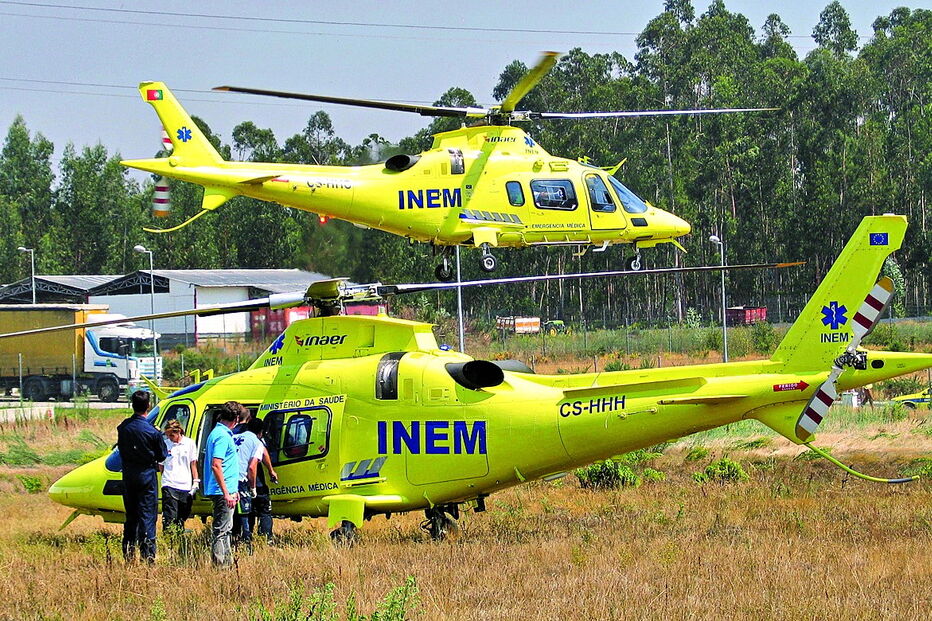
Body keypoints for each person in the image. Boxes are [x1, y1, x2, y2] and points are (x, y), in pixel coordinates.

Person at [116, 390, 167, 563]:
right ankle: (148, 555)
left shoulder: (123, 427)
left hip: (129, 475)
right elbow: (162, 455)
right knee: (147, 515)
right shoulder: (152, 432)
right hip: (146, 475)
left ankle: (128, 552)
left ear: (132, 405)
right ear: (148, 406)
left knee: (131, 515)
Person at [203, 401, 242, 567]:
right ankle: (221, 566)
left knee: (226, 529)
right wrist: (227, 492)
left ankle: (226, 563)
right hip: (221, 491)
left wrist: (233, 489)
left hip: (226, 489)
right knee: (221, 530)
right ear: (236, 419)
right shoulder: (222, 436)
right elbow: (216, 464)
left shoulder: (219, 433)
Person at [160, 419, 199, 534]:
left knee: (182, 515)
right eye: (167, 435)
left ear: (179, 432)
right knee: (170, 516)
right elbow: (161, 465)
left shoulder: (189, 443)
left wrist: (195, 481)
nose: (170, 437)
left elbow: (193, 464)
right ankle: (169, 538)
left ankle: (179, 535)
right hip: (169, 483)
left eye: (172, 435)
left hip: (185, 484)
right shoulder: (165, 444)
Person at [232, 413, 262, 550]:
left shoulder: (235, 436)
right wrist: (253, 487)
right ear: (261, 432)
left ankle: (233, 540)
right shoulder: (257, 442)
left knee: (232, 513)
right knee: (244, 512)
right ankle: (246, 543)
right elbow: (252, 467)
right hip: (240, 479)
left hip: (228, 479)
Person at [245, 417, 278, 544]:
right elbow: (254, 465)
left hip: (242, 483)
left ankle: (246, 537)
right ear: (261, 432)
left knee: (248, 512)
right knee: (264, 512)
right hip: (256, 483)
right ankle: (266, 539)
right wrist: (271, 471)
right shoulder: (257, 442)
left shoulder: (239, 439)